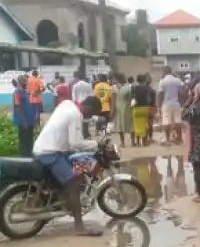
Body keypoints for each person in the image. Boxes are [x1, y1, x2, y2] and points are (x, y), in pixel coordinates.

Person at [32, 96, 103, 236]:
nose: (89, 116)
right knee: (74, 183)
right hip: (50, 153)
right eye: (92, 112)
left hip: (48, 148)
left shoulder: (67, 103)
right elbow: (75, 143)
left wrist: (93, 120)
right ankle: (79, 227)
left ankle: (62, 200)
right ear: (88, 106)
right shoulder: (75, 114)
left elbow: (75, 129)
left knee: (76, 166)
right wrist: (96, 144)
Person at [157, 66, 185, 144]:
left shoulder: (162, 81)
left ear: (164, 71)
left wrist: (158, 106)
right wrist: (182, 100)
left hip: (166, 104)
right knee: (178, 120)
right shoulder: (177, 80)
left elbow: (160, 94)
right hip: (176, 103)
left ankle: (167, 139)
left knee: (166, 121)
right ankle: (179, 138)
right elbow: (184, 89)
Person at [12, 75, 37, 157]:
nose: (26, 81)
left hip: (30, 120)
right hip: (23, 121)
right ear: (20, 81)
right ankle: (24, 159)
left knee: (30, 141)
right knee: (24, 142)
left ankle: (30, 157)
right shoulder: (17, 92)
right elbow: (18, 107)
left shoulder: (26, 91)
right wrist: (23, 121)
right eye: (24, 80)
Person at [111, 75, 133, 147]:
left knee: (120, 125)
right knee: (130, 124)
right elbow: (131, 98)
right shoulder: (128, 87)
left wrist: (112, 111)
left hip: (118, 108)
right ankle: (133, 141)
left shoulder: (114, 88)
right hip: (127, 107)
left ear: (117, 79)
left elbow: (113, 100)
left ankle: (123, 143)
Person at [131, 74, 152, 146]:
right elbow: (148, 99)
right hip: (144, 108)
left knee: (137, 125)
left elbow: (132, 98)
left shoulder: (134, 88)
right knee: (144, 125)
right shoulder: (145, 88)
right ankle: (144, 142)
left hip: (136, 109)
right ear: (143, 80)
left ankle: (137, 142)